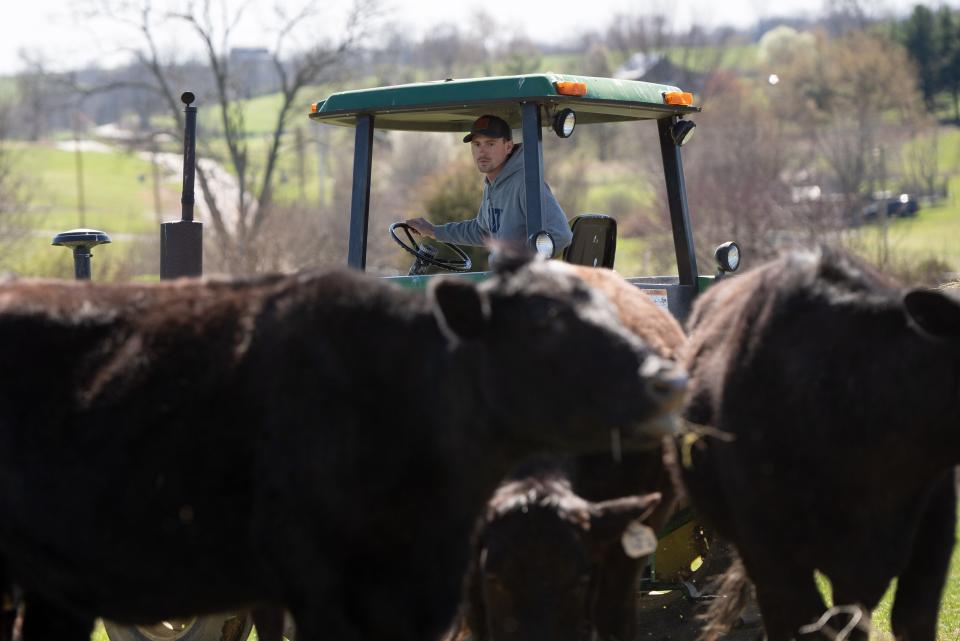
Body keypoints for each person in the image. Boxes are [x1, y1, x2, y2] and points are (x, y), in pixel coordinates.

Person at [406, 115, 573, 254]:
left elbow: (561, 234)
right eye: (477, 144)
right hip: (502, 278)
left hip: (520, 283)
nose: (482, 152)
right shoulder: (492, 184)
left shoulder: (525, 184)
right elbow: (483, 231)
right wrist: (434, 231)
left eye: (490, 144)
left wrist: (521, 262)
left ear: (508, 146)